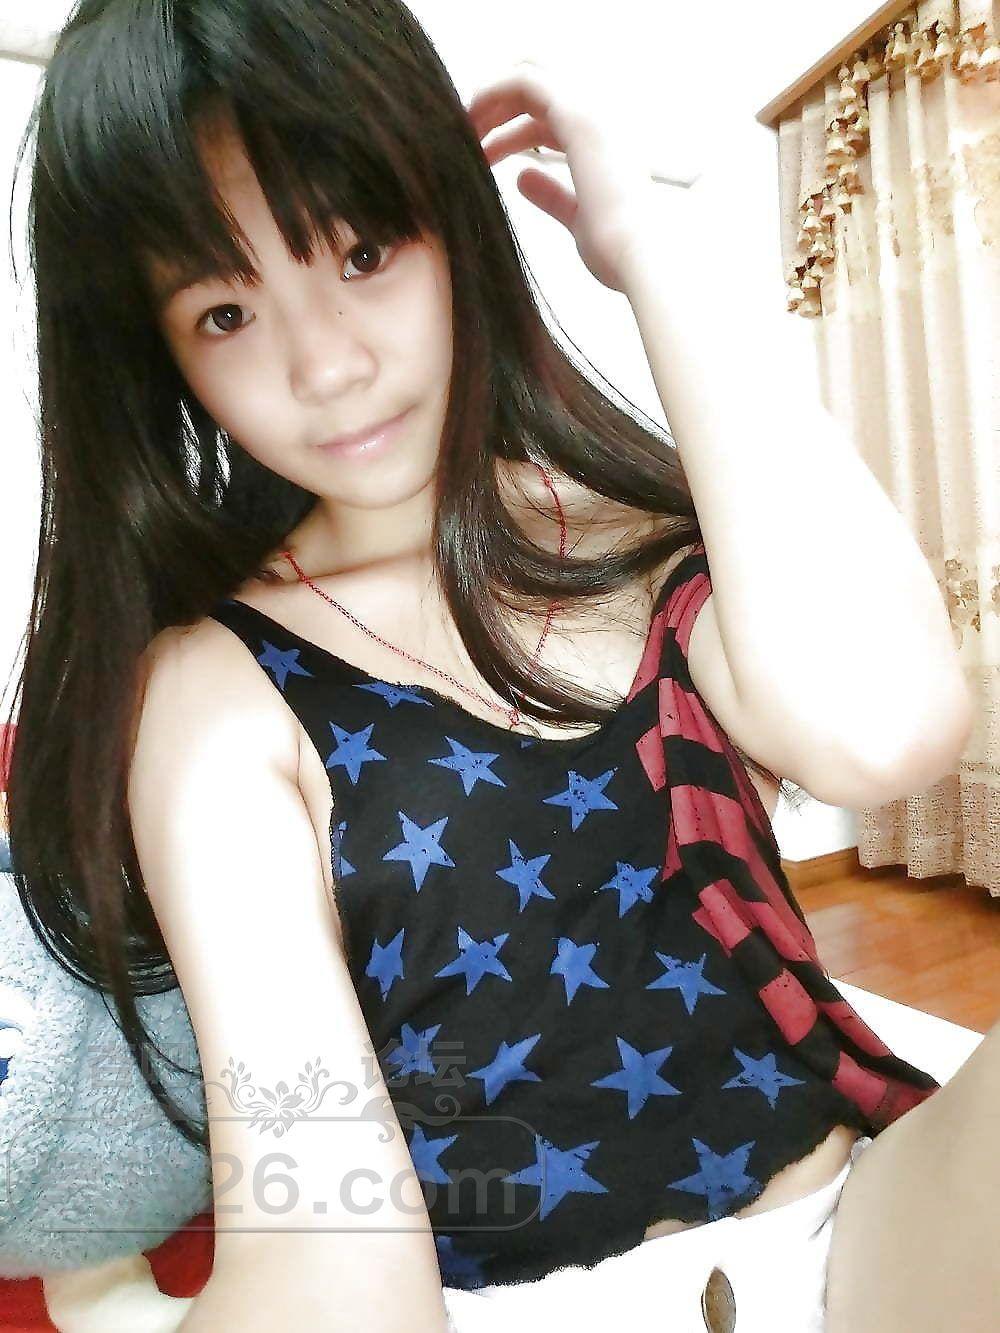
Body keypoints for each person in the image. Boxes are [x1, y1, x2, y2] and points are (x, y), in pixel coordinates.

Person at [2, 2, 987, 1330]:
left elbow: (884, 732)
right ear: (160, 357)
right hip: (539, 1303)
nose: (329, 366)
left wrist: (652, 251)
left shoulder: (636, 542)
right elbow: (327, 1236)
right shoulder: (216, 687)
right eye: (226, 311)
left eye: (363, 251)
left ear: (451, 223)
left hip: (858, 1237)